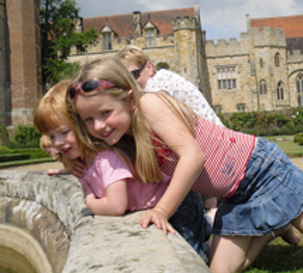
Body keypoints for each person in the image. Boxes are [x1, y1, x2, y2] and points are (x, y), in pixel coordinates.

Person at [67, 57, 303, 273]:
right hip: (235, 194)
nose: (98, 126)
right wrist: (69, 161)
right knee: (219, 270)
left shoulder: (150, 105)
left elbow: (192, 157)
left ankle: (277, 218)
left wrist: (162, 210)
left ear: (130, 99)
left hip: (260, 171)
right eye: (88, 119)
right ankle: (273, 228)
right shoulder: (126, 136)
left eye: (105, 113)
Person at [34, 80, 209, 261]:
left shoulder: (106, 157)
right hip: (162, 204)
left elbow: (116, 205)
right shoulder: (86, 159)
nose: (57, 143)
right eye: (51, 136)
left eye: (64, 132)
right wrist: (67, 165)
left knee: (191, 258)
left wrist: (89, 201)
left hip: (178, 205)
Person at [117, 44, 220, 220]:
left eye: (134, 75)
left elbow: (152, 110)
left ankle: (209, 216)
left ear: (149, 67)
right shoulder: (159, 81)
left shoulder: (158, 83)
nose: (132, 84)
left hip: (213, 145)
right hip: (205, 143)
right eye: (127, 80)